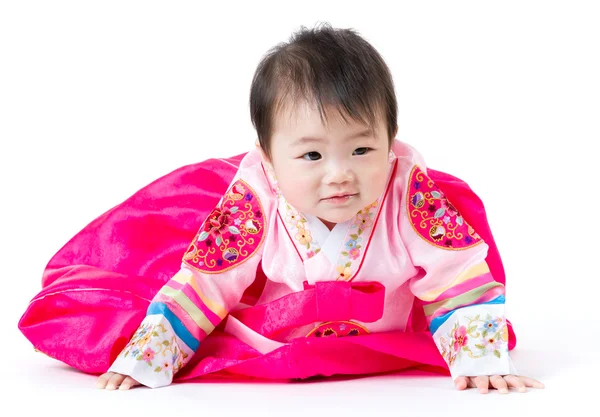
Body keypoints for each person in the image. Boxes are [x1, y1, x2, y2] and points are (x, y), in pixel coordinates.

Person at [96, 23, 544, 393]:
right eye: (311, 155)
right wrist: (148, 358)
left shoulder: (406, 190)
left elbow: (454, 273)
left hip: (381, 355)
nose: (339, 174)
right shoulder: (256, 199)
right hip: (275, 353)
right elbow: (208, 284)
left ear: (391, 140)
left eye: (362, 149)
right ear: (268, 158)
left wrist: (480, 360)